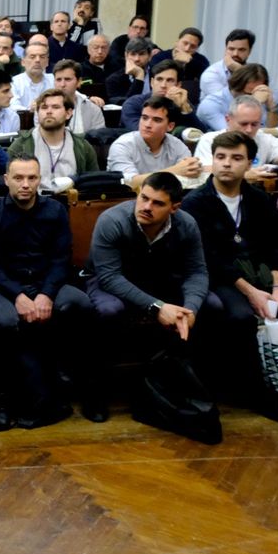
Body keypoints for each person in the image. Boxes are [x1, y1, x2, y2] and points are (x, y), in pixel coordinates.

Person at [181, 131, 278, 421]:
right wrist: (252, 292)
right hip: (221, 277)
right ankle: (256, 392)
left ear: (249, 163)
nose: (226, 164)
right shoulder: (195, 202)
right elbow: (209, 258)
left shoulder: (259, 200)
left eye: (236, 158)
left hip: (262, 273)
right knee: (240, 315)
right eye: (220, 157)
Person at [85, 172, 211, 430]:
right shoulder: (113, 220)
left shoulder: (186, 224)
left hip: (158, 280)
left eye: (158, 203)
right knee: (109, 311)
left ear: (174, 207)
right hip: (111, 281)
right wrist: (157, 307)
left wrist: (191, 309)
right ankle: (95, 392)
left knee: (211, 305)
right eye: (144, 198)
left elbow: (197, 272)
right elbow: (109, 277)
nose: (146, 207)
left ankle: (190, 391)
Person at [0, 153, 92, 428]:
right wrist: (18, 296)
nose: (25, 184)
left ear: (40, 180)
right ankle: (1, 399)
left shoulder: (55, 211)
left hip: (45, 283)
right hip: (4, 287)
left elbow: (61, 259)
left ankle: (74, 386)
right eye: (18, 178)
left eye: (31, 178)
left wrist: (46, 294)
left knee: (80, 304)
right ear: (7, 180)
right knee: (4, 320)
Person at [9, 89, 99, 183]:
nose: (49, 111)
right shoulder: (20, 146)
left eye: (55, 107)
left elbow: (93, 183)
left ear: (68, 113)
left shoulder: (83, 147)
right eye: (44, 107)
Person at [194, 95, 278, 177]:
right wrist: (244, 175)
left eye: (254, 124)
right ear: (228, 119)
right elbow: (204, 170)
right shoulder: (209, 140)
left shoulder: (264, 139)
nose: (249, 130)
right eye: (244, 124)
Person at [109, 95, 198, 189]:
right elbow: (129, 183)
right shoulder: (122, 145)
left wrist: (194, 168)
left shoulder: (177, 145)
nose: (148, 125)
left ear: (170, 126)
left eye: (157, 120)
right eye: (144, 118)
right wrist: (174, 171)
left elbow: (188, 172)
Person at [119, 60, 201, 130]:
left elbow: (199, 134)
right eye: (159, 79)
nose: (163, 85)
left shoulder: (182, 103)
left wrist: (185, 108)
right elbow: (141, 132)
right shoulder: (133, 103)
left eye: (170, 80)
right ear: (152, 82)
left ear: (178, 85)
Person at [105, 37, 152, 104]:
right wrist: (139, 76)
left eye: (141, 54)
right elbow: (129, 104)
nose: (137, 59)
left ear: (150, 55)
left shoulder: (158, 74)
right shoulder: (113, 80)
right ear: (126, 55)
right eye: (133, 54)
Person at [11, 42, 54, 109]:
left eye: (42, 57)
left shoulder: (54, 80)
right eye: (32, 57)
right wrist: (30, 110)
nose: (38, 60)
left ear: (47, 62)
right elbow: (13, 107)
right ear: (23, 62)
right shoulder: (14, 83)